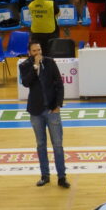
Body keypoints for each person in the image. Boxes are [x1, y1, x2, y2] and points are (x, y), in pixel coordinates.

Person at [19, 42, 69, 188]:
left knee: (58, 145)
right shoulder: (25, 65)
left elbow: (59, 84)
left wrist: (58, 105)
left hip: (52, 110)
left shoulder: (50, 62)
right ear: (29, 52)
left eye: (39, 50)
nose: (37, 53)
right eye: (34, 51)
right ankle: (45, 175)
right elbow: (26, 83)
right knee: (41, 145)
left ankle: (62, 177)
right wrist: (35, 67)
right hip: (35, 111)